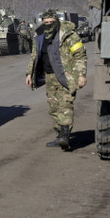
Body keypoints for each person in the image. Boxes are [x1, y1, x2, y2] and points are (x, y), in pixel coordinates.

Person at [25, 9, 87, 150]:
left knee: (65, 105)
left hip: (67, 75)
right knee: (54, 107)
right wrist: (29, 73)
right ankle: (60, 135)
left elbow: (80, 55)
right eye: (46, 23)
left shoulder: (68, 35)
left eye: (51, 22)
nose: (48, 25)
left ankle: (65, 135)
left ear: (57, 21)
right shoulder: (40, 35)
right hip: (49, 76)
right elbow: (34, 55)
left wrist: (82, 75)